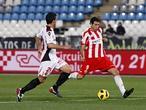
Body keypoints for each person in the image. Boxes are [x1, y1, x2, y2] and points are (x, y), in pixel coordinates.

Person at [69, 17, 134, 98]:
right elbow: (82, 47)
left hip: (102, 58)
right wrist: (82, 56)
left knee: (115, 71)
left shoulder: (99, 30)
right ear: (91, 24)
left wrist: (103, 39)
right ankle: (68, 75)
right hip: (90, 60)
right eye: (95, 25)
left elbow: (98, 38)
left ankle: (124, 92)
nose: (97, 26)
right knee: (80, 76)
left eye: (98, 25)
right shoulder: (86, 33)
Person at [16, 12, 73, 102]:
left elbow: (37, 37)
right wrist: (64, 47)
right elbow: (50, 45)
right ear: (53, 20)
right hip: (48, 58)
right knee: (41, 79)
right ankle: (21, 90)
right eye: (56, 19)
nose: (56, 21)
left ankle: (54, 88)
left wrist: (39, 48)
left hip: (53, 57)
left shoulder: (45, 29)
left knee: (68, 70)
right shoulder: (49, 31)